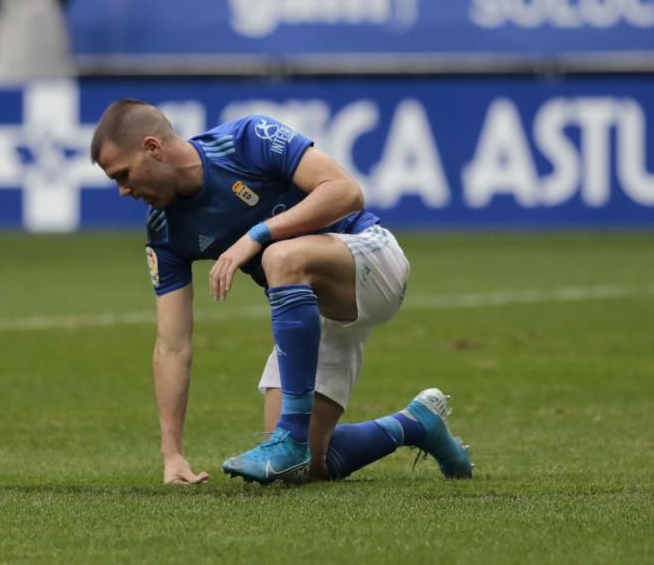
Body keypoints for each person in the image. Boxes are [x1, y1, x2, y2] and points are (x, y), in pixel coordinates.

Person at [90, 99, 474, 484]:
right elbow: (172, 344)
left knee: (279, 257)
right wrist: (172, 455)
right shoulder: (165, 229)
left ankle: (289, 437)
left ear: (153, 148)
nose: (123, 191)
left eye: (123, 175)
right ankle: (416, 424)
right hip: (316, 312)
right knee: (302, 469)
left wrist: (255, 236)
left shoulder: (247, 139)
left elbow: (346, 191)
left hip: (371, 261)